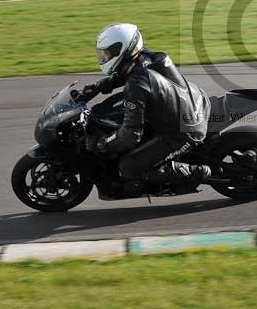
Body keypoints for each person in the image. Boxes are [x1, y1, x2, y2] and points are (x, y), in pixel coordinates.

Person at [80, 23, 211, 196]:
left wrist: (103, 144)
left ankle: (197, 172)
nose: (103, 57)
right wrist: (98, 87)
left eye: (108, 53)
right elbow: (125, 74)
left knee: (129, 167)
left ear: (123, 49)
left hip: (183, 132)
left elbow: (130, 135)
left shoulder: (136, 85)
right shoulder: (146, 58)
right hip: (193, 104)